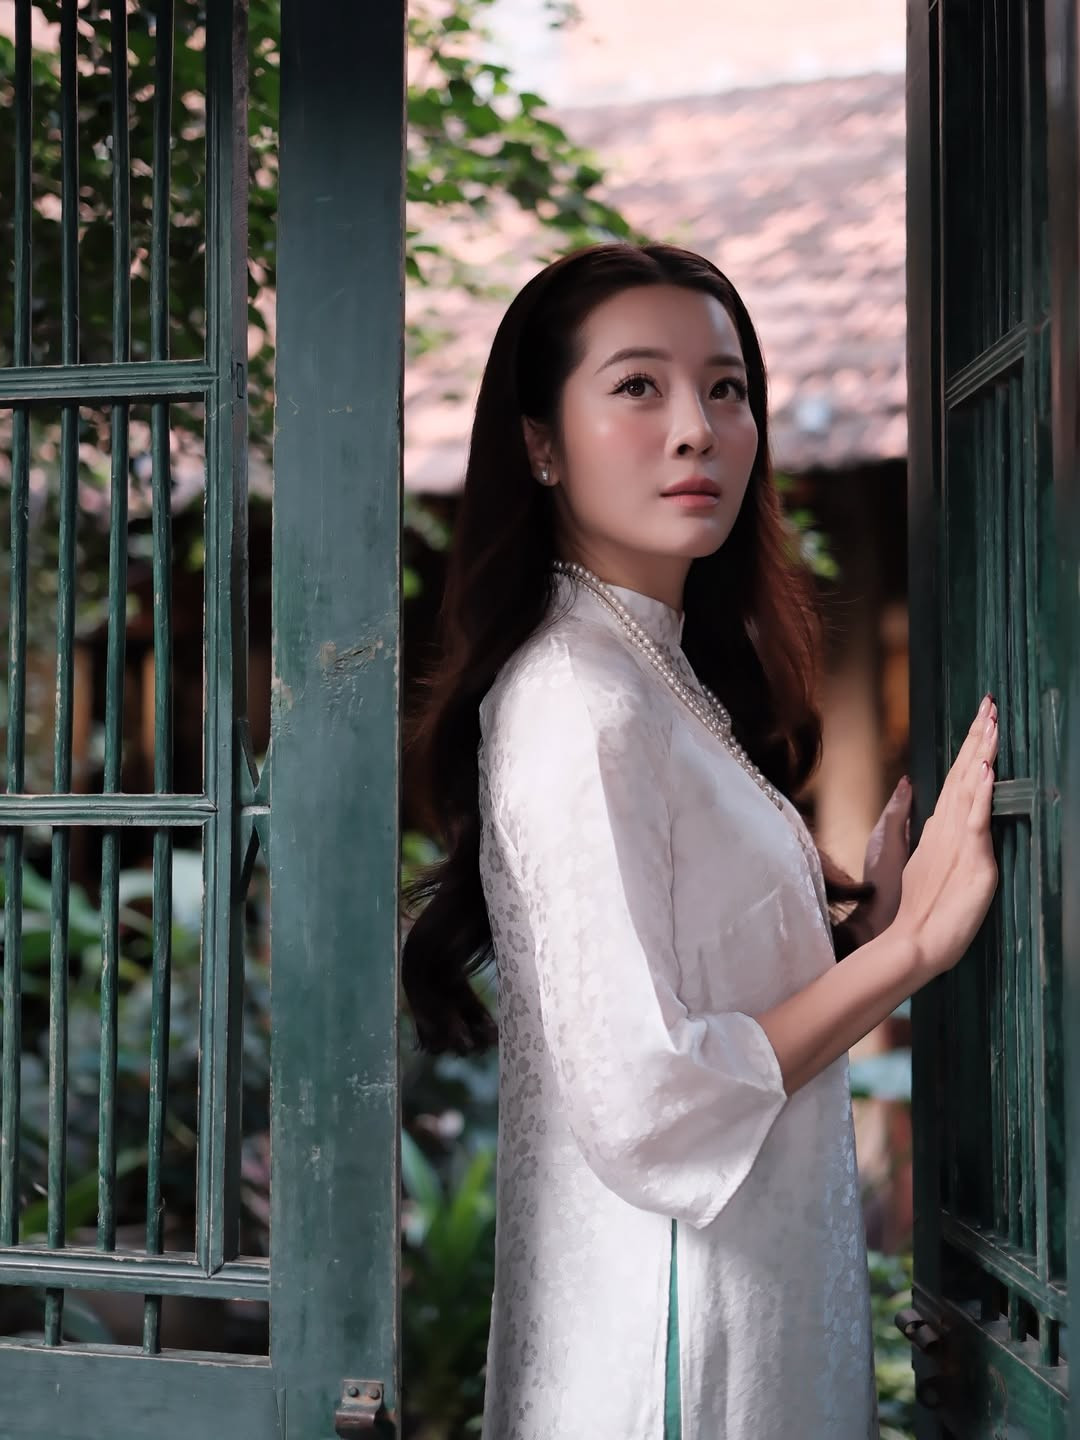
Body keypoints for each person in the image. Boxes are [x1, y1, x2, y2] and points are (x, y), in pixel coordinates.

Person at [401, 243, 999, 1440]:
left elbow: (703, 998)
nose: (698, 430)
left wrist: (857, 941)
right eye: (638, 385)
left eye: (727, 389)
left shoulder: (653, 673)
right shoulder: (579, 696)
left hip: (733, 1305)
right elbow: (646, 1096)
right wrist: (908, 955)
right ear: (540, 443)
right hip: (675, 1348)